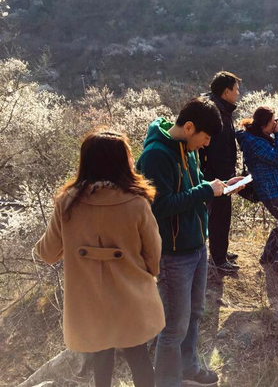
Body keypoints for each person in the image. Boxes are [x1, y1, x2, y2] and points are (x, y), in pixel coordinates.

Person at [33, 129, 165, 387]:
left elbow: (48, 252)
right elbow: (154, 257)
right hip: (131, 298)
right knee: (139, 360)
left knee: (100, 360)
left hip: (89, 301)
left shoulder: (67, 203)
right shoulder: (138, 203)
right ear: (122, 162)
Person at [137, 97, 243, 387]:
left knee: (194, 314)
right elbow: (161, 206)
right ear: (189, 127)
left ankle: (188, 369)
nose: (206, 144)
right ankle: (168, 381)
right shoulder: (157, 156)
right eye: (205, 137)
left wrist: (220, 188)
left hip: (196, 246)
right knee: (173, 327)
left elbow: (195, 188)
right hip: (173, 254)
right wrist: (206, 191)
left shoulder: (188, 148)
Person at [235, 106, 278, 281]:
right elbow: (277, 158)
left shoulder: (262, 136)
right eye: (273, 122)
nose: (276, 124)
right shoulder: (252, 141)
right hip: (270, 191)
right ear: (264, 124)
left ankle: (269, 257)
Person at [201, 71, 242, 273]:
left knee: (220, 215)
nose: (238, 93)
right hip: (216, 173)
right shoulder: (216, 110)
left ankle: (220, 252)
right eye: (236, 89)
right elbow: (216, 148)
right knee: (219, 214)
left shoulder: (217, 107)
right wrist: (224, 179)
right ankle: (218, 259)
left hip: (217, 171)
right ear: (227, 91)